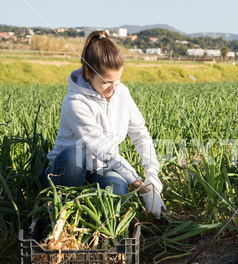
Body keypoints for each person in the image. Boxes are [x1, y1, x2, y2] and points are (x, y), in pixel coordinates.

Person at [45, 30, 166, 218]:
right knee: (73, 156)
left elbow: (140, 134)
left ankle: (96, 223)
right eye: (106, 82)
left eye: (117, 80)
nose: (113, 87)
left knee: (117, 189)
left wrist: (152, 176)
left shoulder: (122, 93)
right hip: (67, 172)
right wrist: (142, 188)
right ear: (88, 73)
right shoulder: (75, 102)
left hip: (102, 169)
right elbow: (105, 150)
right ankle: (60, 210)